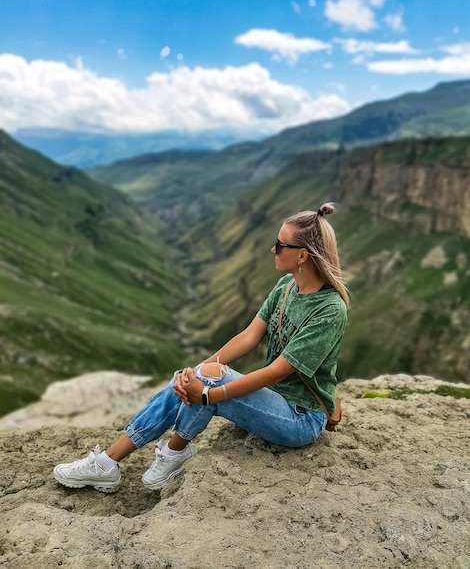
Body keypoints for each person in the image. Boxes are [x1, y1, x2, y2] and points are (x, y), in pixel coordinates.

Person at [53, 203, 349, 493]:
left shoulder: (329, 309)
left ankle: (166, 453)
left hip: (300, 418)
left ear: (303, 255)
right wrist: (192, 373)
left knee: (208, 380)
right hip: (273, 402)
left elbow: (276, 372)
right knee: (201, 374)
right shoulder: (286, 285)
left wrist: (208, 393)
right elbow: (248, 337)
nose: (273, 249)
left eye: (279, 244)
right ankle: (110, 461)